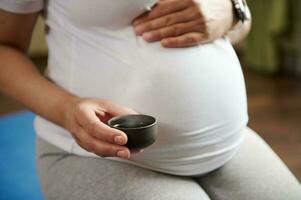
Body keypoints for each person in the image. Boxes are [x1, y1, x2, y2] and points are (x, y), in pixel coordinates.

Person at [0, 0, 300, 199]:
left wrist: (233, 13)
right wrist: (66, 110)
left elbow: (237, 25)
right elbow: (4, 48)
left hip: (228, 145)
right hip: (97, 157)